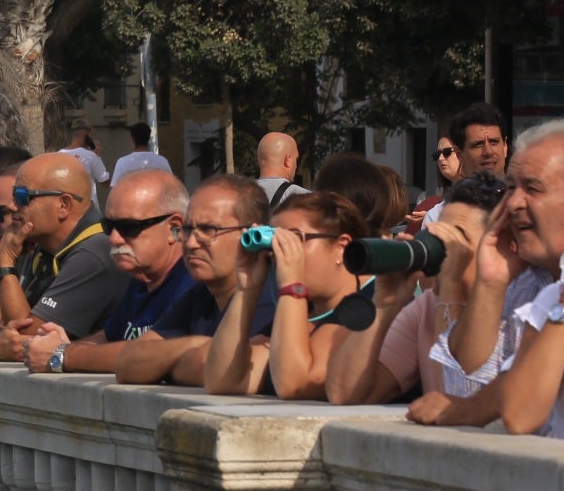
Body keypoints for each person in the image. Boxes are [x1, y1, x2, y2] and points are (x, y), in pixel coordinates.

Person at [407, 119, 564, 424]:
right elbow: (466, 389)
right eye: (511, 187)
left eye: (533, 188)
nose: (513, 203)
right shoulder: (530, 283)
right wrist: (490, 282)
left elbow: (491, 410)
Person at [326, 173, 507, 405]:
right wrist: (384, 304)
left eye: (456, 237)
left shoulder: (517, 307)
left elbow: (458, 396)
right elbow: (343, 392)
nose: (443, 246)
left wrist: (450, 287)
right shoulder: (427, 306)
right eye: (439, 233)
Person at [23, 169, 195, 375]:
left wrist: (62, 354)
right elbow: (109, 337)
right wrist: (61, 346)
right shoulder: (141, 278)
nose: (113, 239)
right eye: (108, 226)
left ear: (173, 227)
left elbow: (153, 354)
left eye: (128, 227)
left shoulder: (193, 282)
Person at [0, 152, 126, 359]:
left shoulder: (93, 254)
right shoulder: (44, 248)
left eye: (22, 197)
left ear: (63, 205)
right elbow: (1, 324)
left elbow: (23, 340)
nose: (13, 206)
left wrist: (6, 263)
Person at [116, 175, 277, 387]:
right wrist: (196, 343)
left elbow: (214, 369)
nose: (191, 243)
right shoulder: (199, 295)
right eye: (187, 229)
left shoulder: (270, 299)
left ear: (252, 233)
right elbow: (127, 362)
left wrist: (163, 366)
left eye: (209, 230)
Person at [204, 191, 367, 398]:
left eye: (294, 239)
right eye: (276, 242)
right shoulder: (300, 310)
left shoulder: (371, 302)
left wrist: (293, 285)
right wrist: (247, 289)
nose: (281, 252)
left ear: (341, 247)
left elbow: (294, 384)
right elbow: (222, 381)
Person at [255, 131, 306, 212]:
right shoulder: (303, 197)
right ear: (288, 160)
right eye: (296, 159)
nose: (296, 166)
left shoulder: (239, 196)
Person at [58, 125, 111, 189]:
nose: (93, 139)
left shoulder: (58, 154)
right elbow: (105, 183)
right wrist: (98, 156)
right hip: (88, 198)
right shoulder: (91, 156)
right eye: (92, 135)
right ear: (86, 135)